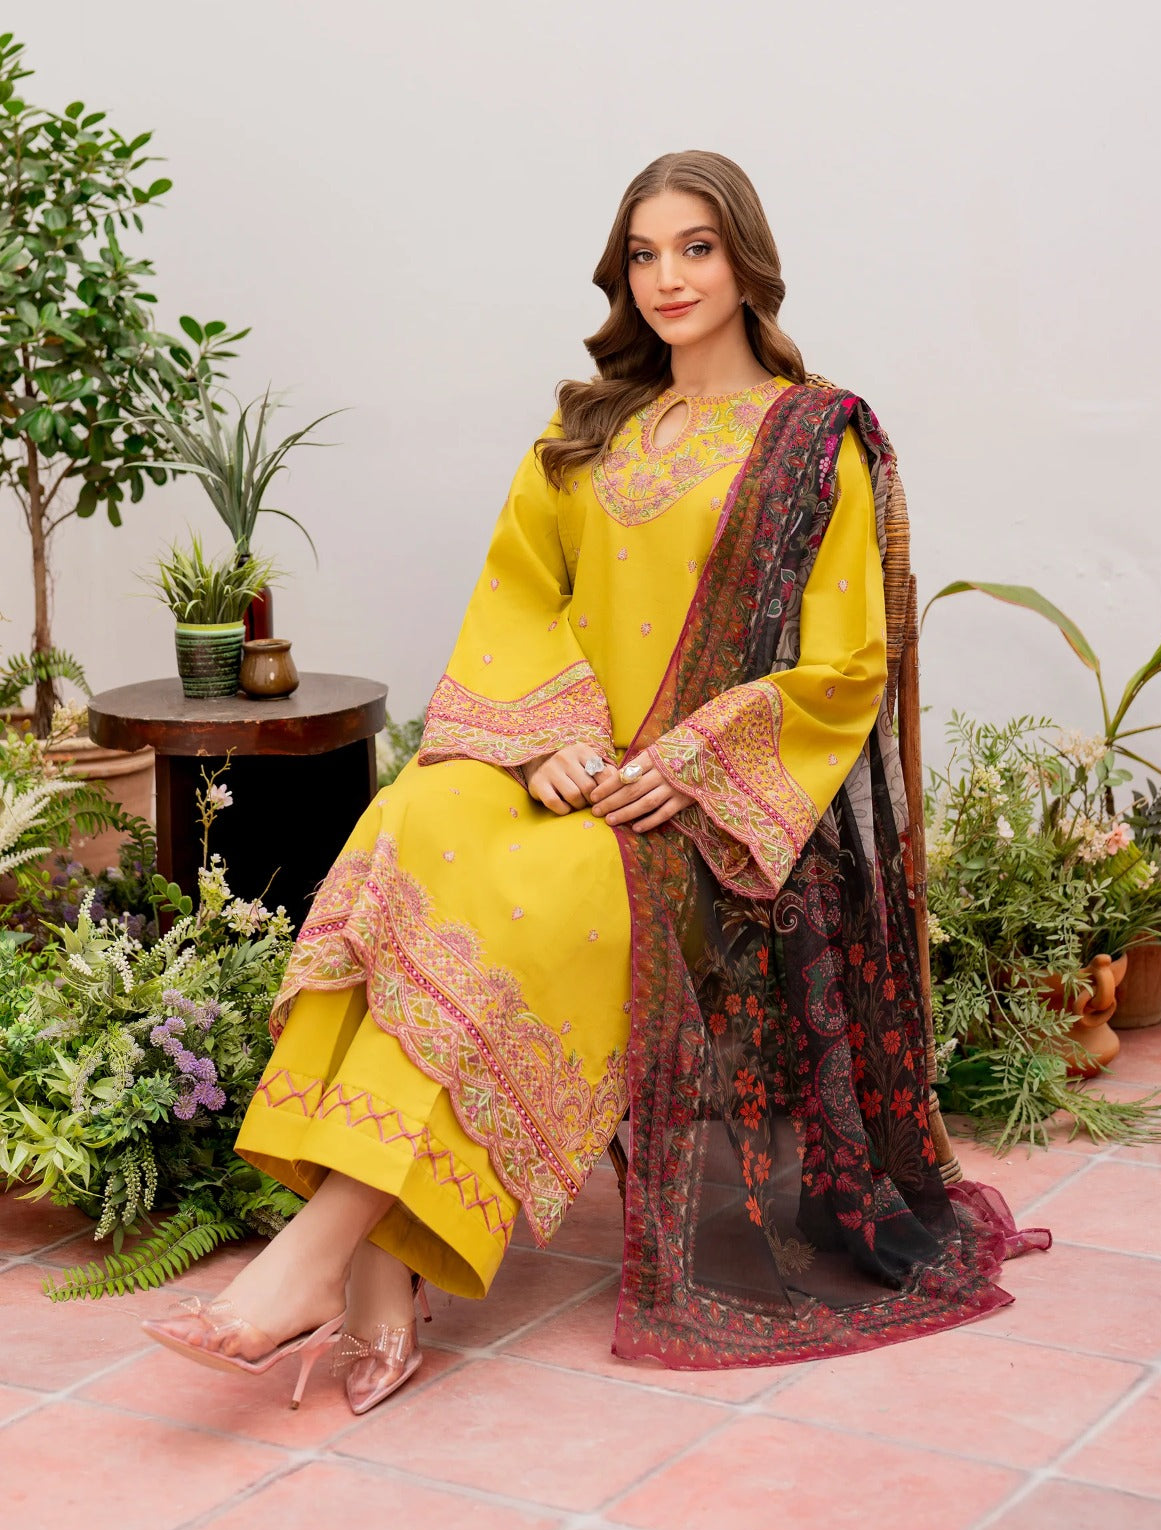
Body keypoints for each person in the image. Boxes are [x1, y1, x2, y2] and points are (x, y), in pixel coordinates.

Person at [142, 150, 1048, 1409]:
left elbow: (846, 665)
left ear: (747, 263)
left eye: (696, 248)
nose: (668, 277)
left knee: (539, 895)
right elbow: (519, 602)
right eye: (644, 253)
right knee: (413, 816)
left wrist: (687, 760)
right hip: (560, 762)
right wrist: (542, 741)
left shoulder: (812, 438)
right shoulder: (586, 435)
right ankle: (370, 1271)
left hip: (695, 804)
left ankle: (328, 1262)